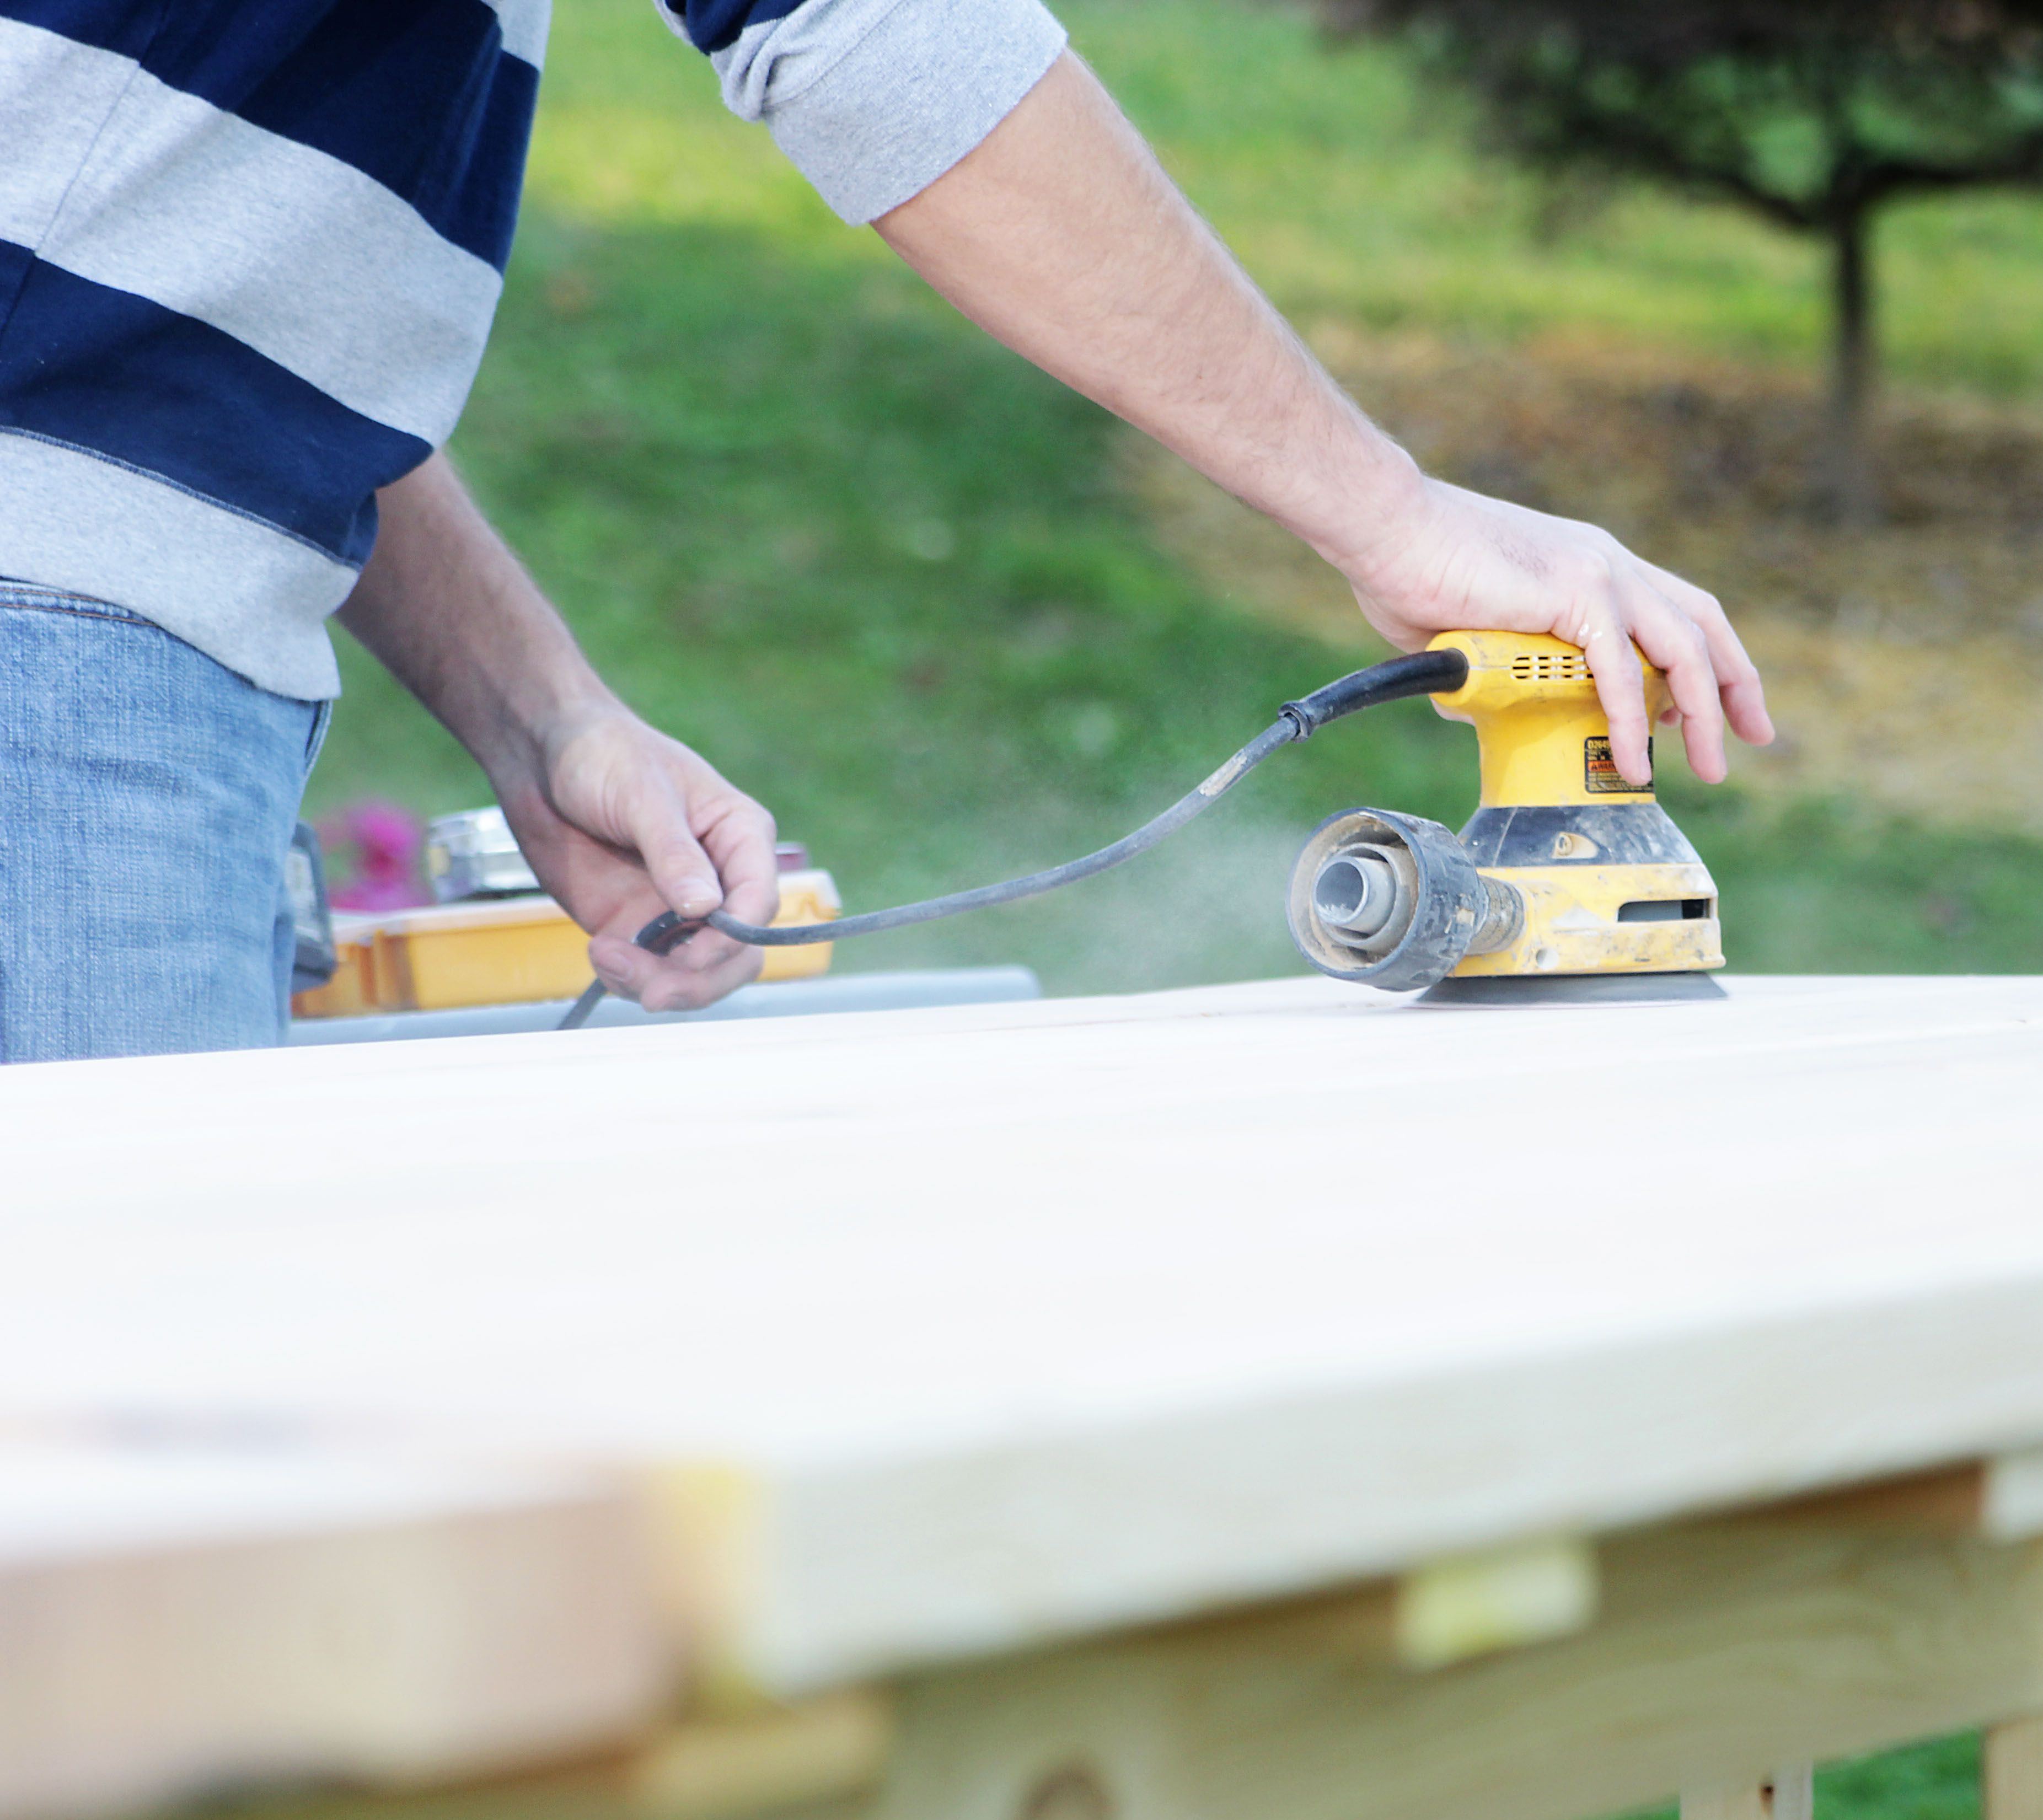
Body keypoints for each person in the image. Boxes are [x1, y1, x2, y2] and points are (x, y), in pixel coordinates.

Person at [0, 0, 1771, 1064]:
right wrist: (1389, 514)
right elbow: (864, 27)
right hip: (50, 695)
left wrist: (541, 719)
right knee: (102, 1610)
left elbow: (145, 323)